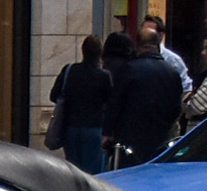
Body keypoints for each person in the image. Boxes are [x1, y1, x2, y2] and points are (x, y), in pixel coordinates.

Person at [106, 32, 181, 167]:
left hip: (131, 139)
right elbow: (176, 107)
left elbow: (116, 103)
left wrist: (108, 132)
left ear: (137, 45)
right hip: (160, 139)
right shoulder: (172, 73)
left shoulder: (129, 69)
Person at [49, 34, 111, 172]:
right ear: (100, 53)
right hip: (94, 129)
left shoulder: (69, 70)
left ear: (83, 51)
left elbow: (54, 96)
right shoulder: (104, 76)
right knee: (93, 173)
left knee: (74, 170)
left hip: (71, 127)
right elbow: (110, 102)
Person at [139, 16, 190, 97]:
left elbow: (185, 86)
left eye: (150, 33)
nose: (145, 36)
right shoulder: (135, 56)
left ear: (160, 35)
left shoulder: (173, 59)